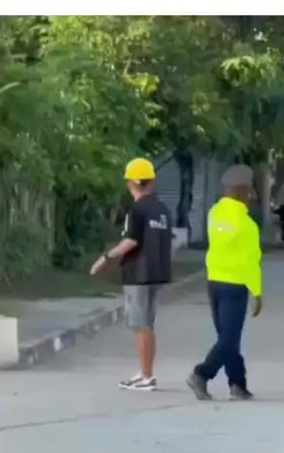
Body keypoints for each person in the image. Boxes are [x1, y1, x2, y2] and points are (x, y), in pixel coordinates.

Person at [90, 158, 172, 391]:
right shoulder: (162, 210)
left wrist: (105, 258)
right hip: (158, 272)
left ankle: (146, 377)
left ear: (131, 183)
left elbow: (131, 241)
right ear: (152, 182)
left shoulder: (137, 210)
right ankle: (146, 372)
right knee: (147, 325)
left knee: (140, 325)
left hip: (139, 273)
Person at [187, 164, 262, 401]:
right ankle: (201, 374)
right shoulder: (247, 225)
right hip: (235, 285)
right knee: (229, 338)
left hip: (214, 282)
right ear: (244, 192)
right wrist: (257, 293)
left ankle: (237, 383)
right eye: (249, 191)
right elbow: (251, 262)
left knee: (228, 337)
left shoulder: (214, 214)